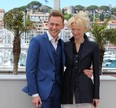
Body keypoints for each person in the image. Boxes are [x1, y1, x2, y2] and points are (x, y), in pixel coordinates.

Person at [22, 11, 93, 108]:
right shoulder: (37, 42)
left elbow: (74, 62)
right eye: (52, 24)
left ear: (62, 26)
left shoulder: (63, 44)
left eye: (57, 25)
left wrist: (89, 70)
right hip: (42, 94)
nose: (54, 27)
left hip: (60, 93)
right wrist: (34, 94)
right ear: (47, 24)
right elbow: (30, 70)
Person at [61, 11, 100, 108]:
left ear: (85, 29)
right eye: (73, 29)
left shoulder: (93, 46)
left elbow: (96, 73)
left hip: (85, 90)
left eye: (78, 29)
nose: (75, 32)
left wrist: (96, 96)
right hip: (67, 90)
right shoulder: (65, 46)